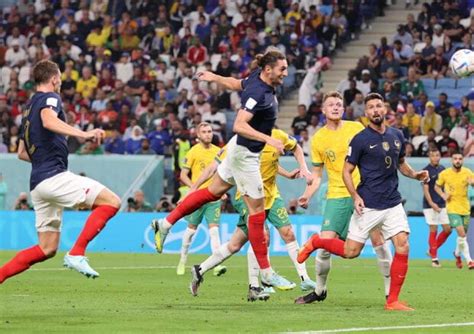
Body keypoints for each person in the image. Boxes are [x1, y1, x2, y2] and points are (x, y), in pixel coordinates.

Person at [151, 50, 312, 290]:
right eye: (282, 69)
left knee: (211, 192)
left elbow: (237, 83)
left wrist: (214, 77)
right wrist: (268, 139)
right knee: (257, 212)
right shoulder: (259, 93)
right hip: (246, 155)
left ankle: (164, 224)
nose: (286, 73)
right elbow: (238, 125)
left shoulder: (257, 78)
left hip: (239, 149)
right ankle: (266, 273)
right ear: (269, 70)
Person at [297, 93, 429, 311]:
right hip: (354, 198)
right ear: (366, 112)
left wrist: (415, 175)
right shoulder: (343, 138)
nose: (376, 110)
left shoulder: (390, 134)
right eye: (371, 107)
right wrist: (310, 193)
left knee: (400, 245)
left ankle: (392, 299)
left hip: (391, 202)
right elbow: (336, 172)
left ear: (385, 109)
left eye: (379, 106)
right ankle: (319, 275)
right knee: (350, 251)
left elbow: (401, 163)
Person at [0, 60, 121, 284]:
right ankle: (77, 252)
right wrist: (83, 135)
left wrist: (45, 157)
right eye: (60, 78)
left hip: (38, 184)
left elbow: (21, 153)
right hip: (53, 176)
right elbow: (48, 120)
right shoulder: (50, 98)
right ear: (54, 78)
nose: (61, 82)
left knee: (46, 248)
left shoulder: (27, 109)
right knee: (112, 202)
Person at [187, 128, 315, 300]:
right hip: (246, 196)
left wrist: (297, 171)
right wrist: (193, 188)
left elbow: (280, 157)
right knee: (262, 235)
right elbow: (212, 168)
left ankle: (199, 270)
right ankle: (256, 285)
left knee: (239, 244)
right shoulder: (239, 141)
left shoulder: (279, 136)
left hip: (271, 194)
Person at [294, 91, 392, 304]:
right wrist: (307, 195)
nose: (336, 107)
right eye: (331, 105)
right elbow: (318, 175)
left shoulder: (356, 128)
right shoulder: (318, 139)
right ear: (323, 109)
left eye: (339, 104)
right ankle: (319, 291)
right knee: (325, 243)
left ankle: (389, 294)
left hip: (364, 194)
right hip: (337, 196)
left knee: (379, 241)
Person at [176, 122, 227, 277]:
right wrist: (194, 189)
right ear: (198, 135)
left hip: (213, 197)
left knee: (214, 231)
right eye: (204, 132)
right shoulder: (193, 152)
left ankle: (217, 264)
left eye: (210, 131)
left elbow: (223, 173)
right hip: (198, 198)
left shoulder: (219, 152)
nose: (208, 134)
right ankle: (182, 260)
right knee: (191, 230)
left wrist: (222, 189)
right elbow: (183, 175)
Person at [435, 152, 474, 270]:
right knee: (461, 234)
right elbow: (436, 186)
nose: (458, 161)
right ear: (451, 160)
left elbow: (473, 182)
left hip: (465, 208)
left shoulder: (468, 172)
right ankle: (470, 261)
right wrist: (442, 195)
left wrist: (472, 183)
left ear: (463, 161)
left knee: (462, 237)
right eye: (455, 158)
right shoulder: (445, 174)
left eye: (460, 159)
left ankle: (457, 255)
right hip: (452, 208)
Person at [422, 149, 451, 268]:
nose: (435, 158)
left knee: (448, 229)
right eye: (433, 155)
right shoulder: (426, 171)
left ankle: (431, 250)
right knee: (433, 229)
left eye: (437, 155)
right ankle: (434, 259)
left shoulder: (443, 169)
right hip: (430, 205)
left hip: (443, 204)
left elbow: (446, 185)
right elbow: (425, 189)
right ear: (429, 157)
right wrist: (431, 203)